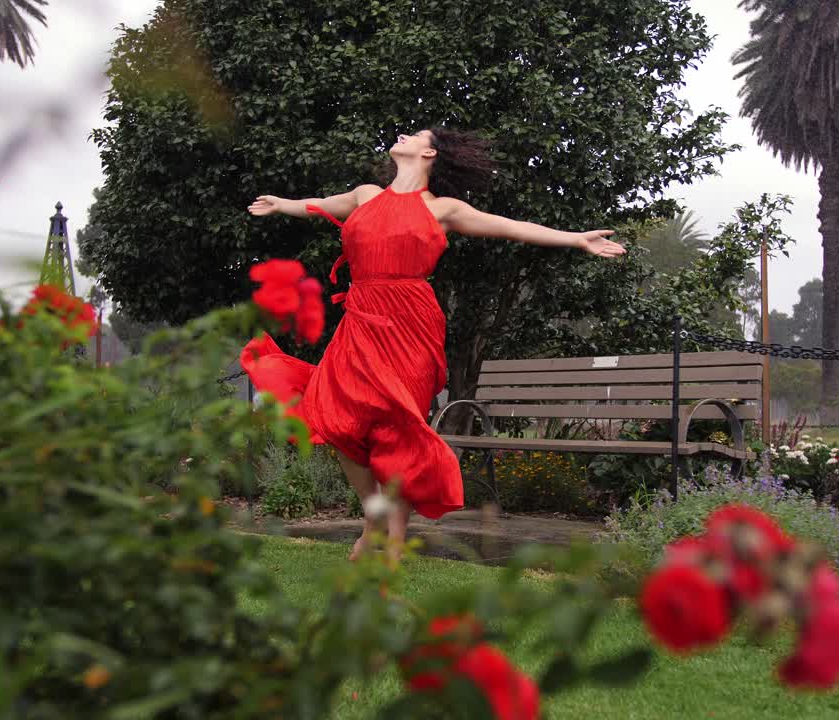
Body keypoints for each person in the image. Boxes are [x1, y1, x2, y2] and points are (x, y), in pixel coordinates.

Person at [244, 128, 625, 562]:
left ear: (429, 152)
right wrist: (282, 204)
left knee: (400, 433)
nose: (402, 135)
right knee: (335, 419)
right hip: (361, 318)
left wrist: (575, 238)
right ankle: (375, 517)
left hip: (412, 326)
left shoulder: (443, 209)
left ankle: (392, 548)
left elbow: (511, 228)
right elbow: (319, 204)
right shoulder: (366, 195)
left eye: (414, 134)